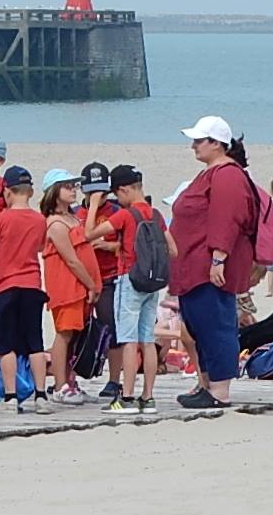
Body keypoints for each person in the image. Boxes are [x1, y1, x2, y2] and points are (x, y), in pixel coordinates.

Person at [168, 116, 255, 409]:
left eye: (199, 140)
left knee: (216, 325)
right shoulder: (210, 173)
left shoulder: (227, 175)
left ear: (217, 144)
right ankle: (205, 383)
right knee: (199, 326)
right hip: (193, 266)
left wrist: (219, 258)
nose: (193, 145)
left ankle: (219, 390)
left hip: (209, 267)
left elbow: (226, 218)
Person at [91, 165, 178, 414]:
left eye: (117, 195)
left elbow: (88, 234)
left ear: (125, 189)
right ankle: (147, 398)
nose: (117, 200)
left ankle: (126, 398)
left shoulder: (125, 215)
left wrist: (95, 204)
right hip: (152, 282)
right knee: (147, 340)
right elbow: (173, 250)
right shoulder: (157, 215)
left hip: (130, 279)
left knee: (129, 340)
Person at [0, 166, 53, 413]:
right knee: (35, 342)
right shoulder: (40, 219)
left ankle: (10, 396)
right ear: (30, 192)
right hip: (31, 284)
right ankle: (41, 395)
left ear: (7, 191)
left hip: (4, 285)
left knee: (5, 343)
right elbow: (41, 247)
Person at [42, 169, 100, 406]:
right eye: (67, 186)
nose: (73, 189)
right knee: (64, 334)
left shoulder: (74, 218)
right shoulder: (55, 224)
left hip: (82, 287)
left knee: (76, 336)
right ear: (55, 192)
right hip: (68, 288)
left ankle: (70, 381)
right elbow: (71, 260)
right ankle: (59, 385)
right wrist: (90, 283)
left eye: (74, 185)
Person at [78, 160, 126, 400]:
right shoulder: (78, 213)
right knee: (75, 329)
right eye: (91, 191)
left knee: (111, 328)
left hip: (108, 278)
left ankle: (114, 380)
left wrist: (109, 245)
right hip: (82, 278)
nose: (97, 195)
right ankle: (71, 380)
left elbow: (128, 245)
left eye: (102, 191)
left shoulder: (116, 212)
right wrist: (92, 206)